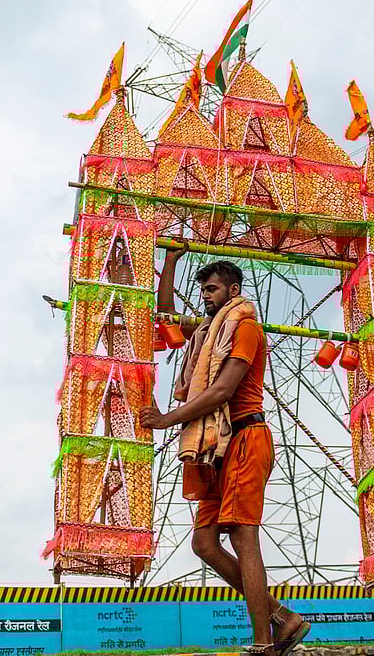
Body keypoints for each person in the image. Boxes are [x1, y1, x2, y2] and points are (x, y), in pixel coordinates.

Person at [141, 251, 311, 656]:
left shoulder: (245, 327)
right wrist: (170, 261)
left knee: (242, 536)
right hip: (215, 446)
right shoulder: (207, 330)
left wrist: (168, 419)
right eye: (202, 289)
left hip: (246, 437)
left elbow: (222, 391)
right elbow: (166, 315)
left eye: (212, 289)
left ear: (233, 290)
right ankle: (282, 617)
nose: (205, 296)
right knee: (204, 543)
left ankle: (263, 642)